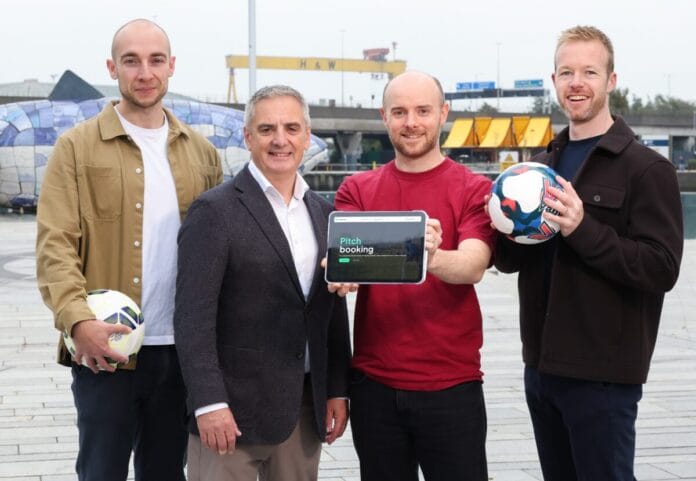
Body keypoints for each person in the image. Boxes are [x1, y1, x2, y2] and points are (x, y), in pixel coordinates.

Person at [493, 26, 683, 481]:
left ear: (611, 80)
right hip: (541, 369)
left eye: (589, 72)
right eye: (566, 73)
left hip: (603, 377)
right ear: (554, 81)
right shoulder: (541, 165)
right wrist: (503, 223)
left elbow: (661, 268)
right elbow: (510, 262)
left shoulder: (647, 169)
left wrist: (583, 229)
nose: (576, 83)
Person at [35, 19, 222, 481]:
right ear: (111, 68)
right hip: (104, 348)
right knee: (101, 471)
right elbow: (56, 244)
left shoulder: (202, 154)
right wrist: (78, 321)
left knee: (166, 473)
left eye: (156, 60)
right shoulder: (75, 148)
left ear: (171, 66)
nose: (145, 73)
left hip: (179, 353)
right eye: (131, 61)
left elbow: (221, 251)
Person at [174, 85, 352, 481]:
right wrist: (208, 402)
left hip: (302, 411)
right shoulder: (214, 211)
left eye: (291, 128)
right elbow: (192, 319)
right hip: (231, 415)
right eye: (267, 129)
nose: (280, 140)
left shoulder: (325, 214)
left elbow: (331, 312)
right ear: (248, 137)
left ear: (307, 136)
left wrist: (336, 388)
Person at [332, 71, 495, 481]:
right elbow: (346, 260)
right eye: (400, 112)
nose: (411, 122)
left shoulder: (474, 188)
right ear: (384, 117)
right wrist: (339, 271)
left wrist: (430, 256)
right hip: (374, 387)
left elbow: (473, 265)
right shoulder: (356, 189)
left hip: (452, 386)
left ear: (443, 113)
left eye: (423, 111)